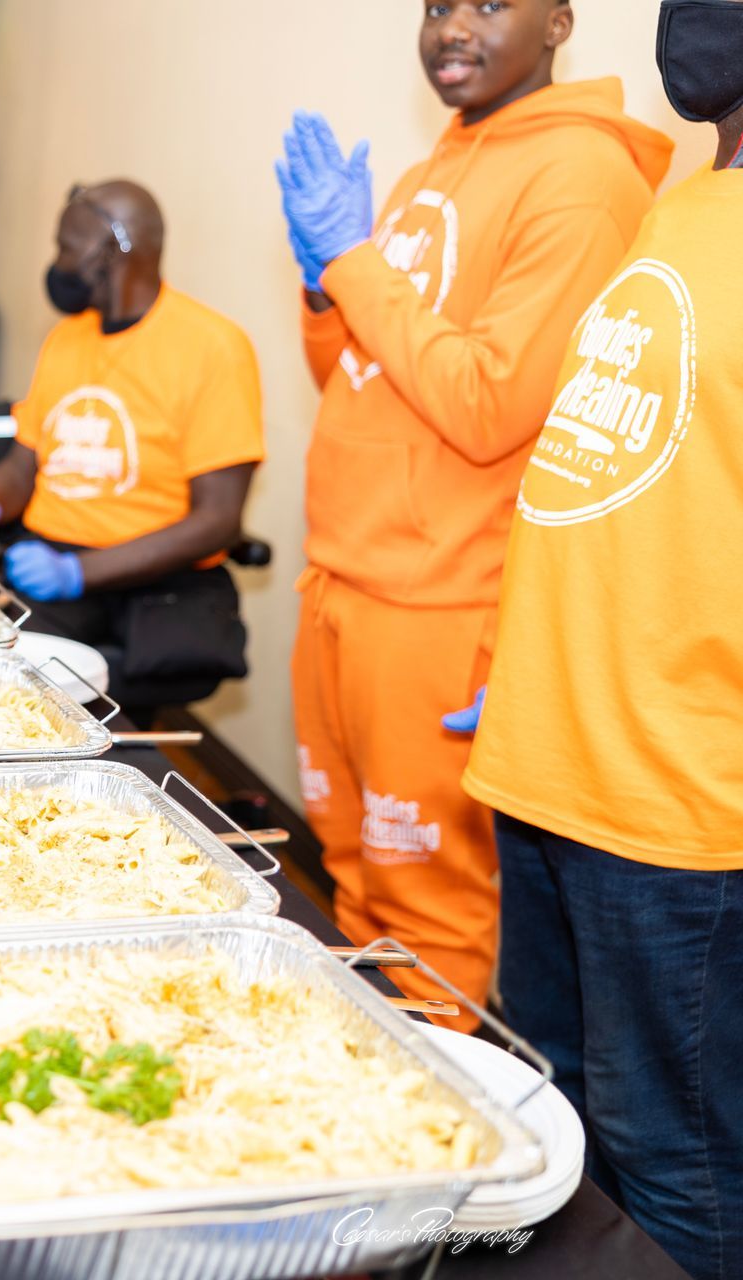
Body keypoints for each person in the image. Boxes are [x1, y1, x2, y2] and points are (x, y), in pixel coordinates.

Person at [273, 0, 672, 1025]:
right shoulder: (431, 170)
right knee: (352, 886)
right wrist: (327, 287)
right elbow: (357, 377)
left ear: (560, 23)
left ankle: (432, 1164)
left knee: (427, 933)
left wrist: (352, 263)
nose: (454, 25)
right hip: (345, 583)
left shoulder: (581, 178)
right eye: (439, 4)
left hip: (441, 603)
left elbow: (492, 406)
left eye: (491, 3)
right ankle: (351, 1106)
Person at [459, 4, 743, 1273]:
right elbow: (630, 475)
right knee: (557, 1122)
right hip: (550, 765)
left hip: (673, 806)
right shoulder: (684, 207)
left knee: (675, 1164)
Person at [0, 182, 264, 686]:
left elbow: (218, 521)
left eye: (67, 247)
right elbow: (24, 466)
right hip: (49, 561)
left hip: (151, 583)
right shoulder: (66, 339)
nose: (57, 262)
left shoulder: (213, 347)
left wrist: (78, 573)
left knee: (54, 692)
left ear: (113, 249)